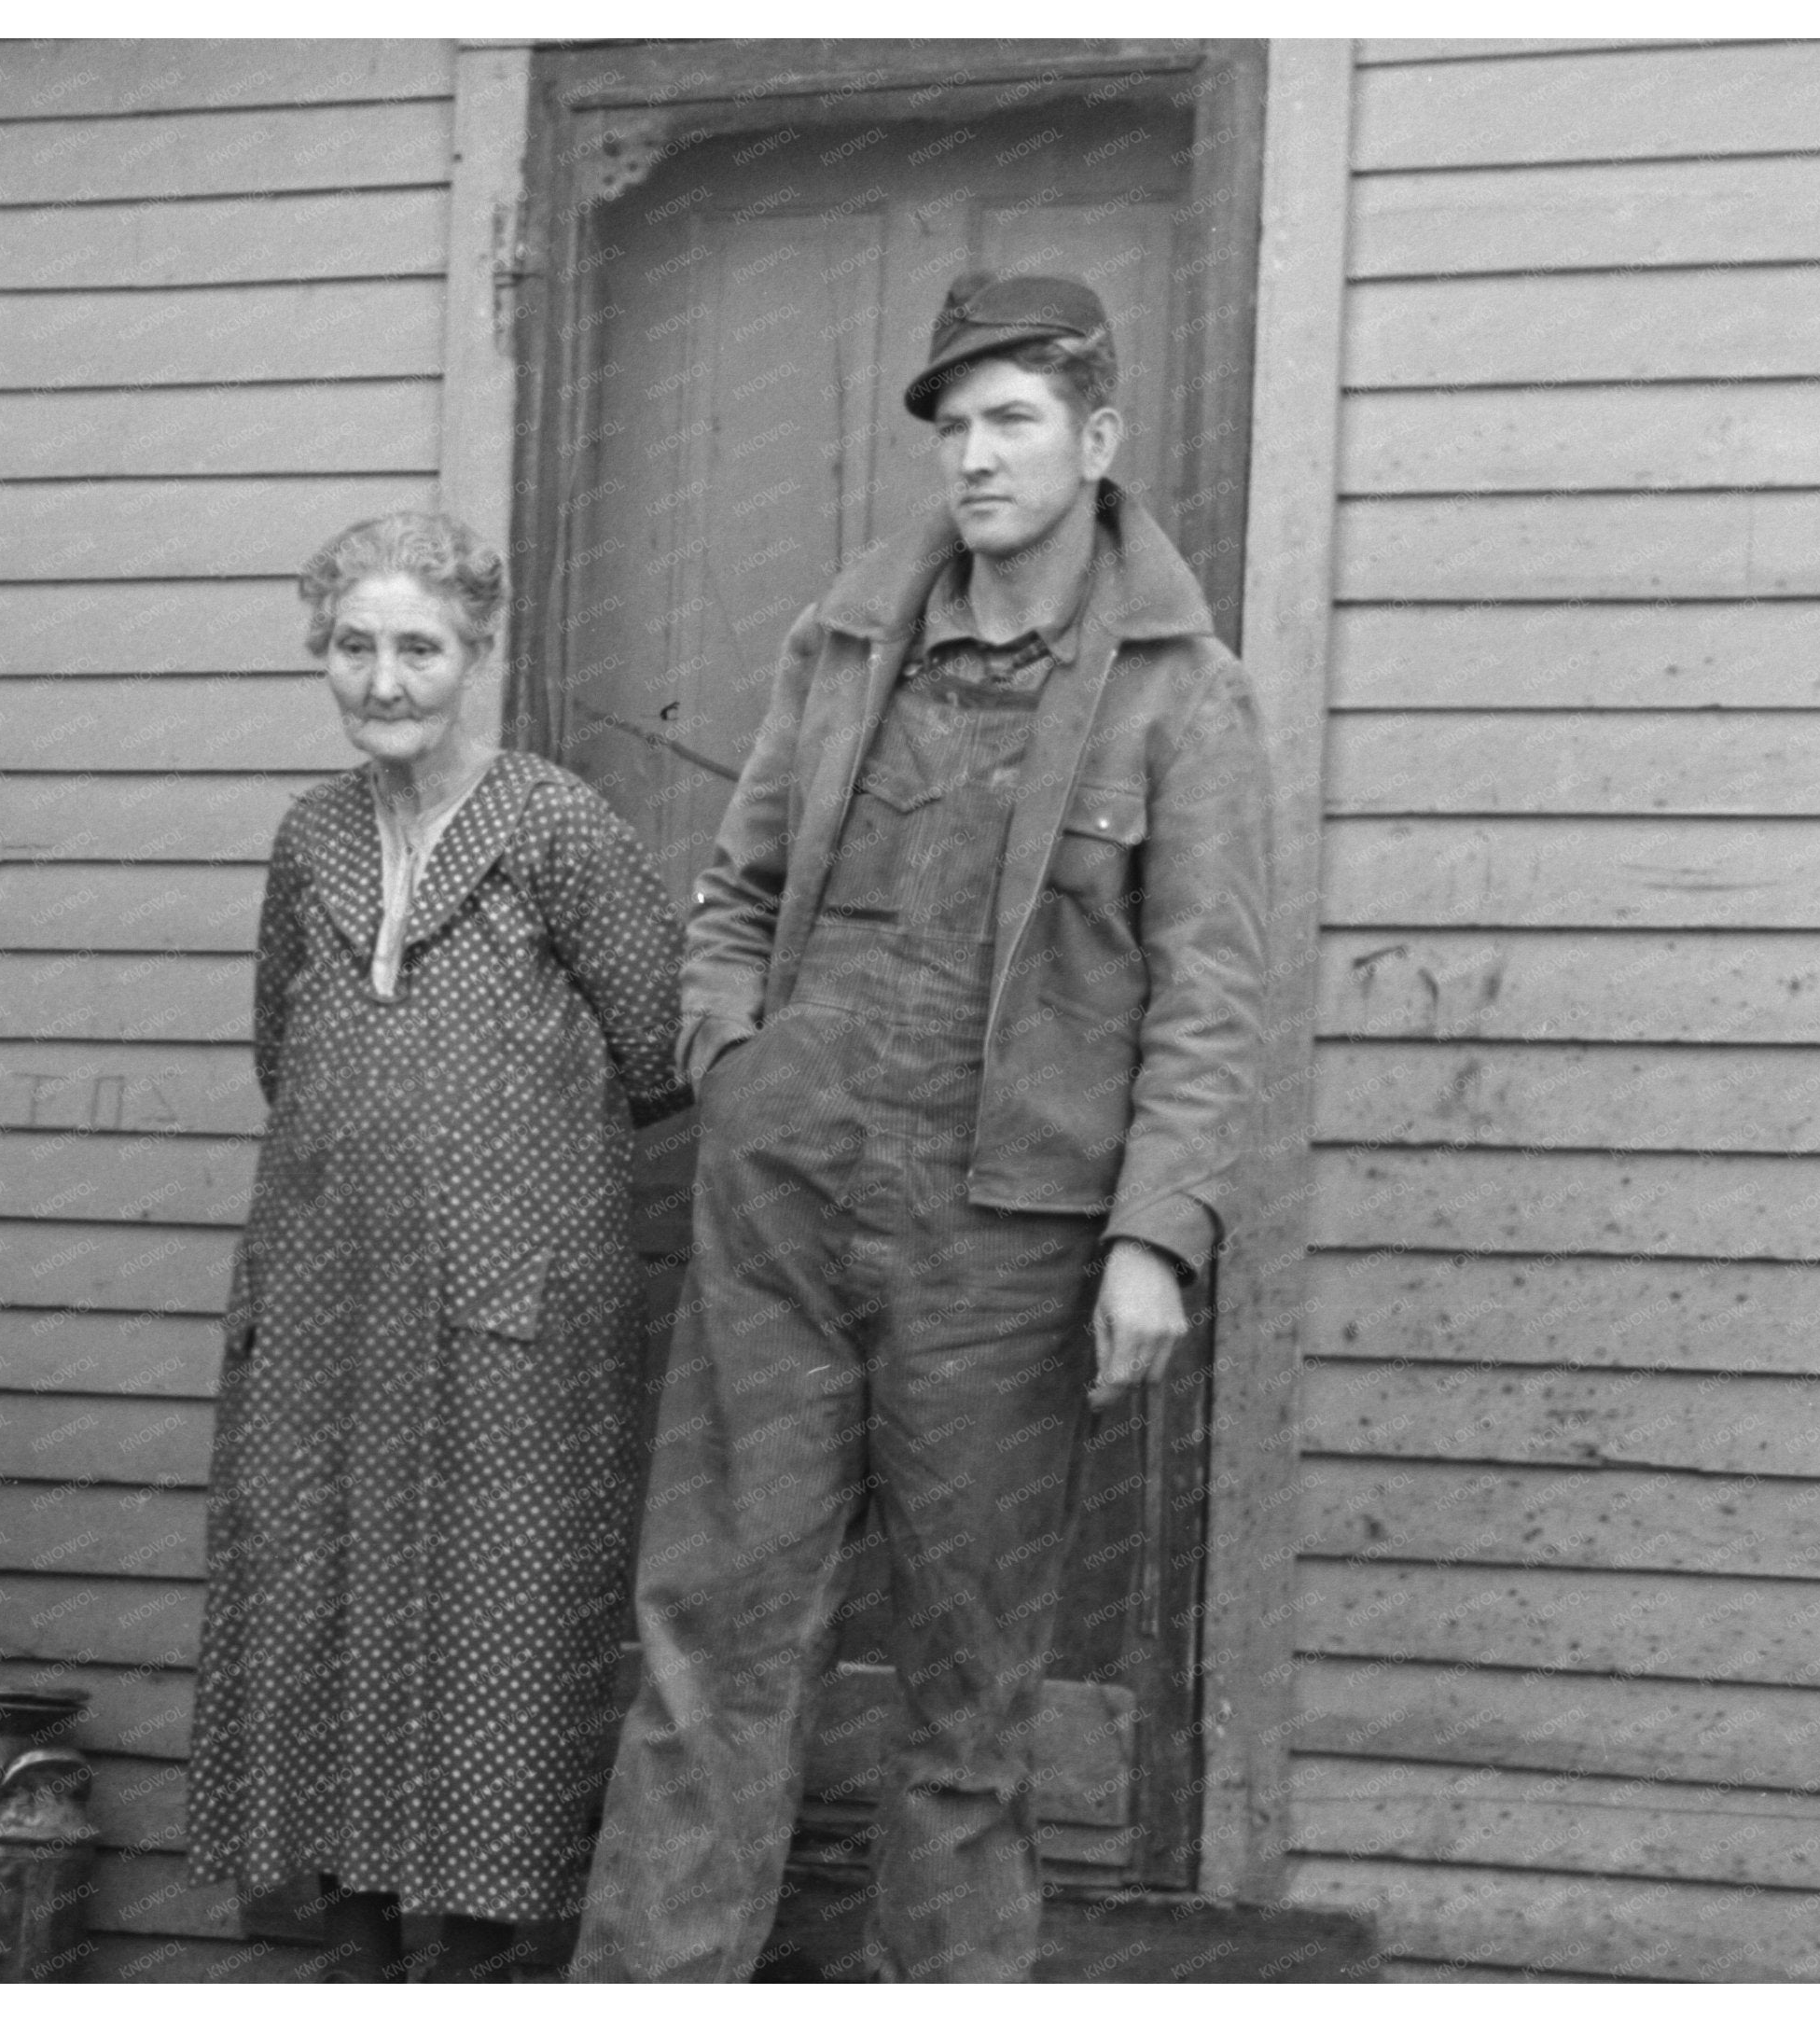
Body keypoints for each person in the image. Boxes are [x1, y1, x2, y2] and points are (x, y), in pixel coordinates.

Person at [572, 272, 1272, 1982]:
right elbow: (731, 894)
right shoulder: (844, 646)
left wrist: (1151, 1237)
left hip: (1006, 1242)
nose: (974, 456)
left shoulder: (1184, 695)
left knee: (967, 1691)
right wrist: (737, 1068)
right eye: (953, 426)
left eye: (1012, 418)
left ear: (1094, 442)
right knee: (709, 1648)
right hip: (786, 1206)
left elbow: (1211, 993)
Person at [185, 511, 688, 1983]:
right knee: (313, 1595)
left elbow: (658, 1048)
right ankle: (346, 1948)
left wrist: (502, 1181)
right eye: (354, 646)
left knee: (495, 1613)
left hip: (511, 1306)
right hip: (326, 1291)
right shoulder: (311, 838)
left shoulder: (554, 826)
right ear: (321, 655)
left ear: (476, 655)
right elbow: (289, 1049)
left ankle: (470, 1961)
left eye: (417, 647)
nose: (383, 678)